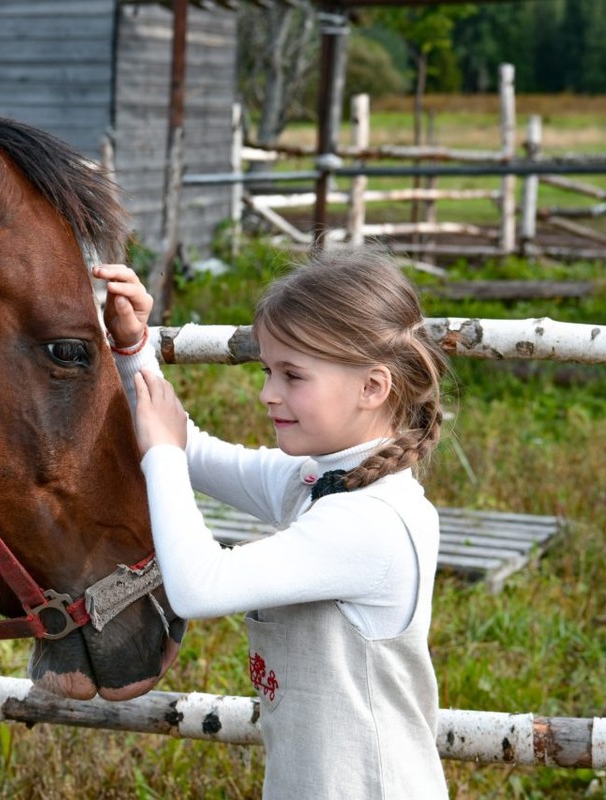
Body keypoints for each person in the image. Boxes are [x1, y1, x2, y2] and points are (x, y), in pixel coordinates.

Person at [94, 251, 450, 799]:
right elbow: (200, 453)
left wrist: (160, 454)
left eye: (293, 375)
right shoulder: (319, 479)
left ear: (372, 387)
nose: (267, 393)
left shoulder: (371, 523)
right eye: (267, 370)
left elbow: (198, 585)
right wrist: (133, 345)